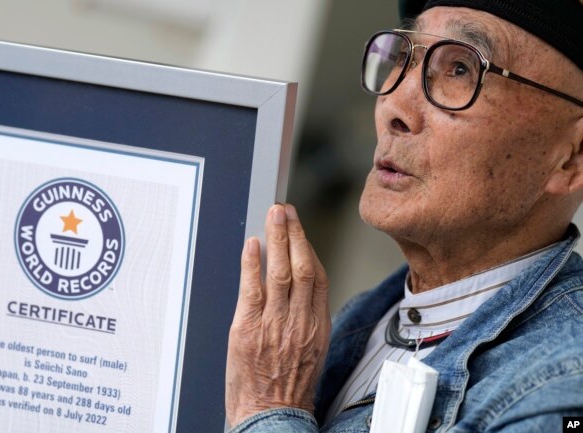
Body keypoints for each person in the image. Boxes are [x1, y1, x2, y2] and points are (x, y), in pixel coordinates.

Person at [224, 0, 583, 432]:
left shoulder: (561, 388)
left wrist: (269, 406)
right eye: (404, 59)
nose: (395, 107)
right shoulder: (362, 321)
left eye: (461, 70)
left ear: (572, 159)